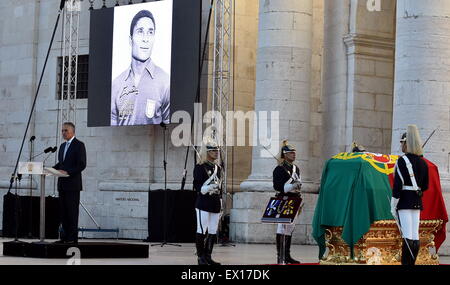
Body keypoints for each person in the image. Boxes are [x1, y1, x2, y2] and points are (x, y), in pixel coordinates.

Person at [111, 9, 170, 126]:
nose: (145, 39)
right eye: (140, 31)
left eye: (150, 32)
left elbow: (170, 126)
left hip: (154, 142)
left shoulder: (165, 81)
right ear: (130, 39)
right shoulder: (116, 84)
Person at [391, 125, 429, 265]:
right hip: (417, 201)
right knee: (414, 235)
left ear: (407, 143)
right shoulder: (423, 162)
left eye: (402, 142)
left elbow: (398, 185)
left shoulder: (402, 161)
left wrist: (393, 202)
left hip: (405, 201)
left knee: (407, 236)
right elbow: (425, 186)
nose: (401, 145)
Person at [53, 122, 87, 244]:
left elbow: (82, 164)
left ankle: (72, 238)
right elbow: (61, 164)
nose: (63, 133)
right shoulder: (62, 147)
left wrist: (68, 171)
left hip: (73, 185)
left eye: (65, 130)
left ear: (72, 132)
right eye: (62, 130)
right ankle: (64, 237)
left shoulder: (79, 145)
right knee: (63, 212)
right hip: (62, 185)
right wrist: (50, 169)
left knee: (72, 212)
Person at [193, 138, 222, 265]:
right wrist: (207, 188)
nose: (216, 152)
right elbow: (197, 186)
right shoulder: (200, 167)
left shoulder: (218, 168)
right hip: (203, 202)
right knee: (201, 229)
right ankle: (201, 258)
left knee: (212, 230)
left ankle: (208, 256)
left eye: (217, 150)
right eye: (213, 151)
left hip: (214, 202)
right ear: (207, 152)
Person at [272, 140, 302, 264]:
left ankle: (287, 255)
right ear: (284, 154)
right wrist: (291, 186)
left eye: (294, 152)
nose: (293, 154)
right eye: (290, 153)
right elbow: (277, 186)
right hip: (284, 199)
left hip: (295, 199)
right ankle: (281, 256)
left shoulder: (296, 168)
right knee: (282, 228)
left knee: (290, 228)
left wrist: (298, 185)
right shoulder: (279, 169)